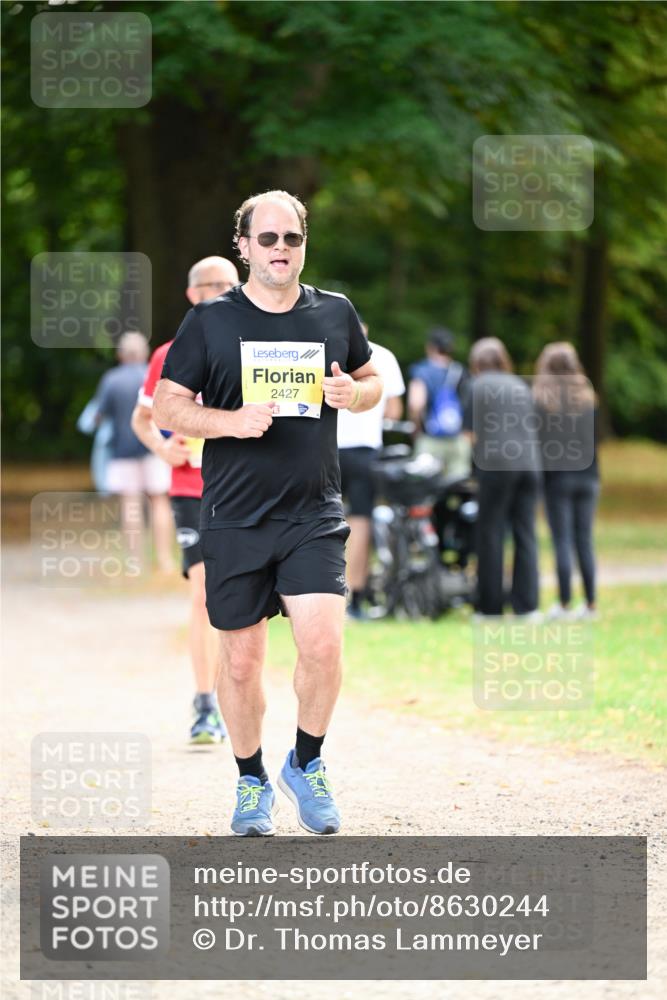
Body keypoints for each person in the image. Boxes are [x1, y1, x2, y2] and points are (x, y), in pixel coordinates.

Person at [153, 190, 383, 836]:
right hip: (234, 515)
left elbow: (372, 383)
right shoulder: (210, 322)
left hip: (313, 511)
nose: (280, 249)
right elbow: (168, 406)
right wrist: (229, 422)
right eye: (268, 239)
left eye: (292, 238)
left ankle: (305, 763)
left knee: (322, 643)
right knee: (242, 662)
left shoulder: (335, 313)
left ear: (304, 243)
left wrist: (352, 393)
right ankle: (250, 779)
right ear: (243, 246)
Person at [131, 256, 240, 744]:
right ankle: (204, 704)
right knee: (204, 594)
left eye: (227, 284)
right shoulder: (167, 354)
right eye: (209, 285)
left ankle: (239, 698)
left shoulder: (253, 349)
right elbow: (142, 419)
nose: (218, 292)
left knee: (246, 603)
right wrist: (162, 445)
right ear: (191, 295)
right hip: (190, 490)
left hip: (243, 488)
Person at [464, 337, 540, 617]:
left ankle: (490, 607)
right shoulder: (521, 385)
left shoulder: (477, 386)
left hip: (497, 465)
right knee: (525, 533)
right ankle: (527, 606)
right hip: (530, 465)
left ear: (477, 363)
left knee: (491, 533)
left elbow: (469, 435)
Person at [337, 320, 405, 620]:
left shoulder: (328, 351)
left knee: (315, 519)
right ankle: (356, 594)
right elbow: (393, 411)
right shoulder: (384, 356)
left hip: (326, 449)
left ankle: (311, 591)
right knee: (361, 521)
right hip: (364, 449)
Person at [95, 331, 173, 573]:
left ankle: (134, 562)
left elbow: (98, 416)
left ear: (120, 354)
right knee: (160, 500)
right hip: (154, 447)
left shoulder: (111, 380)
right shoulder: (154, 376)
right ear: (145, 353)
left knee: (131, 504)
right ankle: (164, 559)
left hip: (122, 451)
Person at [533, 342, 599, 620]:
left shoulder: (541, 400)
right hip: (590, 478)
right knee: (584, 540)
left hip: (558, 479)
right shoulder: (587, 398)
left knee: (562, 540)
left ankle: (564, 603)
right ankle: (591, 604)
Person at [408, 326, 471, 478]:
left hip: (430, 439)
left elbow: (416, 403)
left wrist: (416, 429)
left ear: (430, 347)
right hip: (458, 439)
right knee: (457, 485)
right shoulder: (461, 371)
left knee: (424, 487)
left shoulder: (422, 370)